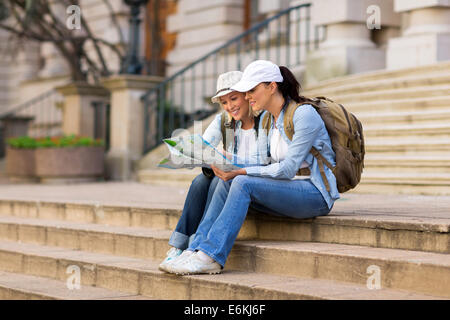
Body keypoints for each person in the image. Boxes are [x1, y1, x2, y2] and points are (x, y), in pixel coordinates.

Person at [166, 60, 340, 275]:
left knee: (241, 181)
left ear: (272, 86)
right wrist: (227, 157)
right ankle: (195, 249)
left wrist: (240, 170)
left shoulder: (303, 114)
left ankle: (211, 256)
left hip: (315, 193)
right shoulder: (269, 118)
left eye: (251, 90)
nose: (247, 96)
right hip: (284, 188)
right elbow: (261, 160)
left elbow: (287, 169)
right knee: (227, 180)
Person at [159, 70, 268, 272]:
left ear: (246, 95)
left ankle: (198, 247)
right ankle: (179, 247)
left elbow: (265, 160)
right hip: (229, 176)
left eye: (233, 98)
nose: (230, 106)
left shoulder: (264, 120)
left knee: (220, 181)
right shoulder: (222, 121)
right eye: (224, 102)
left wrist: (230, 159)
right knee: (200, 181)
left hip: (249, 181)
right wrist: (196, 154)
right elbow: (205, 145)